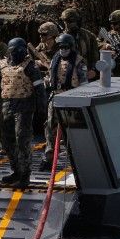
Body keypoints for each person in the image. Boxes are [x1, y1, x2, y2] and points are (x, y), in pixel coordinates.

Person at [0, 37, 48, 187]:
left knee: (22, 140)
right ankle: (16, 170)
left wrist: (42, 109)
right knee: (8, 141)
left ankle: (25, 175)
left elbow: (39, 89)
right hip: (7, 106)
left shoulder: (30, 67)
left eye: (23, 50)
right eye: (17, 50)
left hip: (25, 107)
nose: (21, 53)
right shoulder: (1, 66)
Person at [41, 33, 87, 170]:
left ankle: (76, 161)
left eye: (66, 46)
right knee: (50, 128)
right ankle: (48, 158)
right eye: (61, 46)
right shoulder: (55, 60)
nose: (63, 49)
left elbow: (84, 83)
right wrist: (47, 82)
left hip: (71, 99)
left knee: (71, 131)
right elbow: (50, 77)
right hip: (55, 97)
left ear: (71, 47)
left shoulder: (79, 62)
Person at [61, 8, 99, 80]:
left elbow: (94, 55)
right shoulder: (61, 38)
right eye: (67, 21)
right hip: (67, 72)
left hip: (85, 70)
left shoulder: (87, 35)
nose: (69, 24)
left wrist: (92, 68)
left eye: (72, 21)